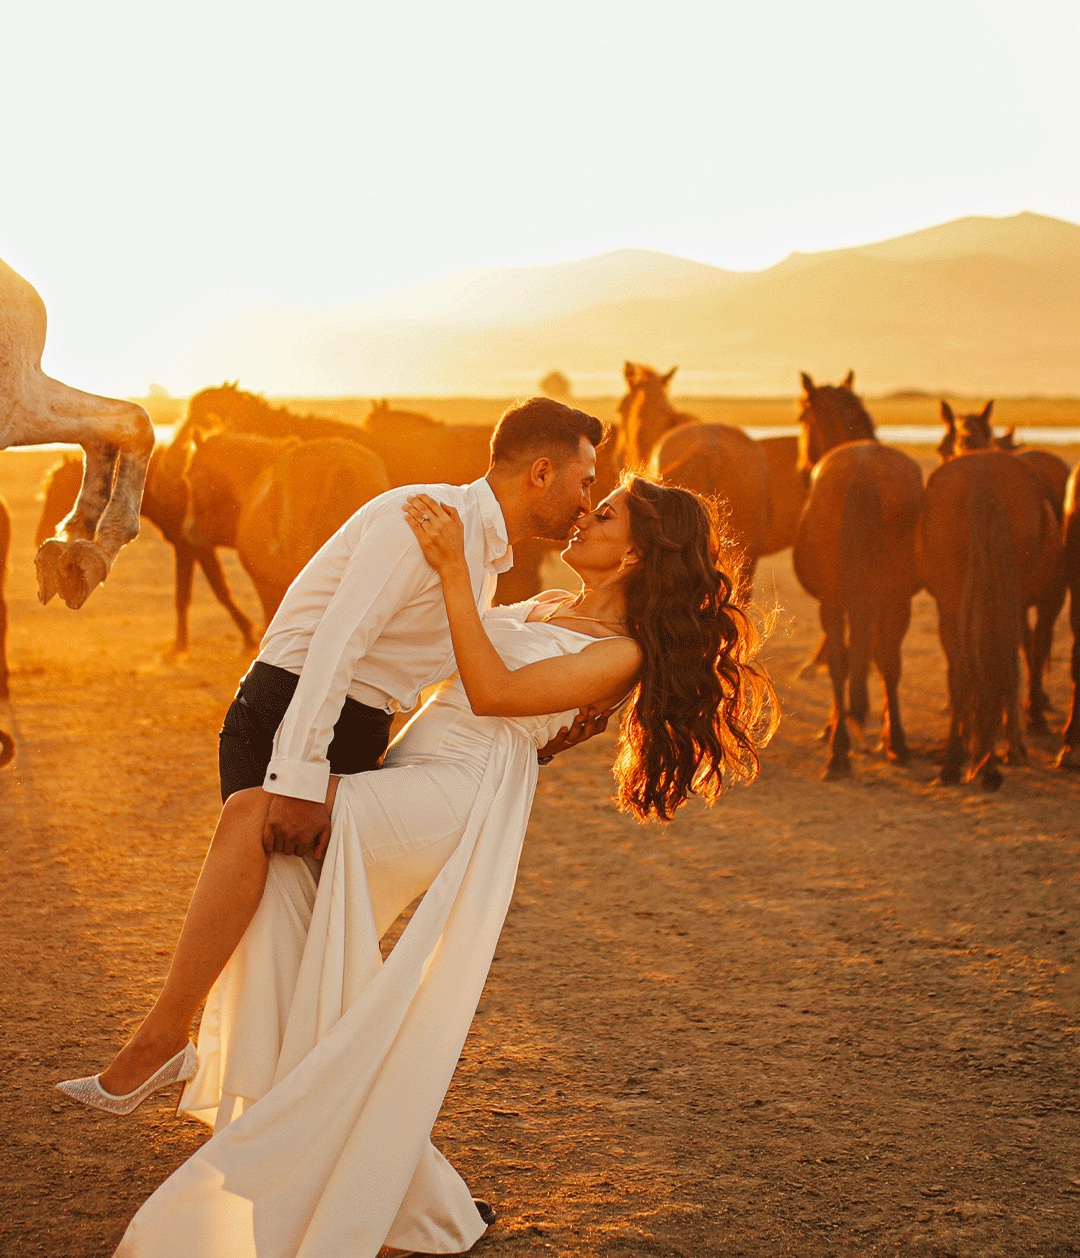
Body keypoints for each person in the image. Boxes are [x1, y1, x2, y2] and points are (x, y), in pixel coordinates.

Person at [59, 474, 775, 1258]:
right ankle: (406, 1196)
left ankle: (165, 1036)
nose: (584, 515)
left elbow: (493, 688)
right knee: (281, 911)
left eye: (603, 515)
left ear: (636, 551)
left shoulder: (620, 652)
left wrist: (455, 573)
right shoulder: (543, 609)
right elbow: (448, 652)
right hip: (412, 771)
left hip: (453, 794)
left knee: (249, 816)